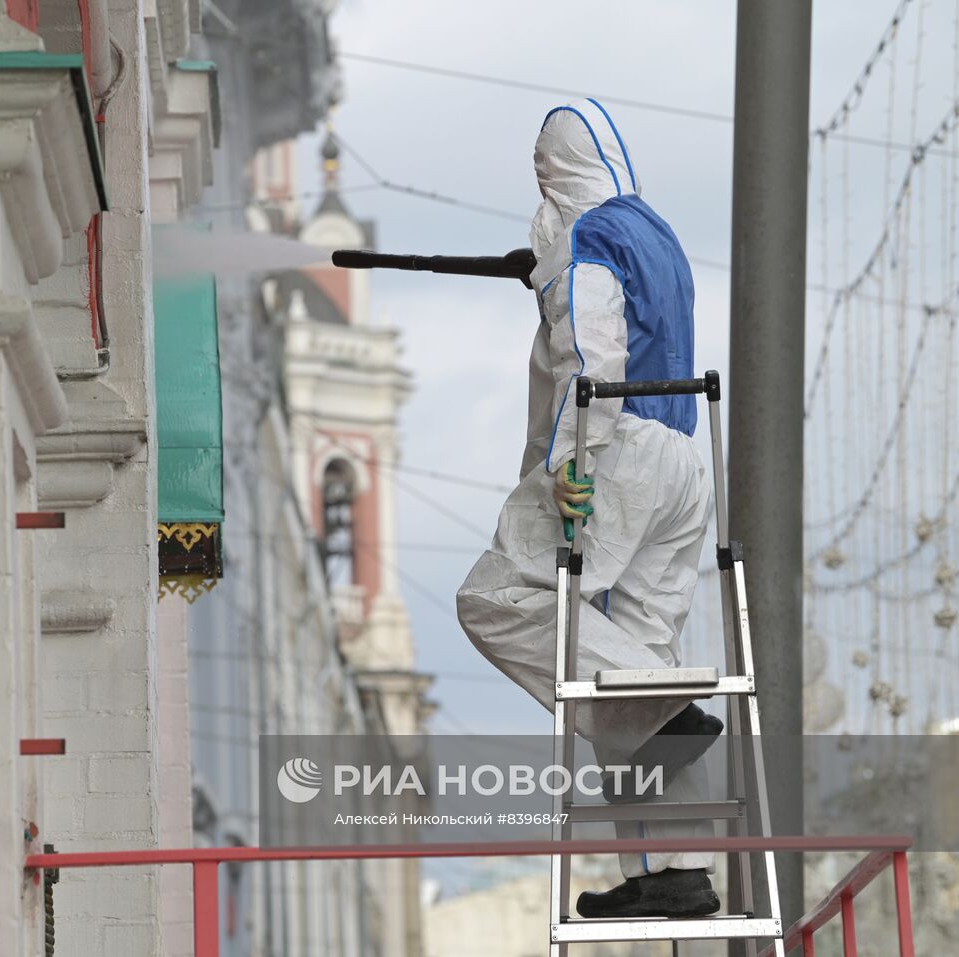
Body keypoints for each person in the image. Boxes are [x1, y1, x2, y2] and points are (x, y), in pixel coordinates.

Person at [456, 98, 724, 919]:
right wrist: (547, 279)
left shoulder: (593, 238)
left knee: (499, 598)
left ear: (558, 173)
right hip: (684, 459)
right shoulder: (658, 234)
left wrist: (572, 460)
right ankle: (673, 870)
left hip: (619, 449)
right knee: (629, 646)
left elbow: (593, 350)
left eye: (543, 177)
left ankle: (662, 707)